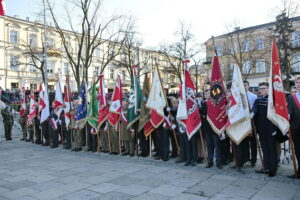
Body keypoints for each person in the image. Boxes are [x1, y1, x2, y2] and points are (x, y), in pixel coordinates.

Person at [252, 82, 277, 177]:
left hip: (271, 128)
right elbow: (255, 109)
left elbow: (277, 115)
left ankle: (273, 169)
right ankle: (265, 167)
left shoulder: (273, 100)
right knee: (264, 149)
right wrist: (252, 114)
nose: (261, 90)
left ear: (268, 88)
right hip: (261, 128)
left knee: (271, 149)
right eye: (260, 89)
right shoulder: (258, 100)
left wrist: (275, 128)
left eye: (263, 88)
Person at [200, 90, 222, 169]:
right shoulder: (204, 103)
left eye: (208, 93)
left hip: (215, 128)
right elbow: (201, 111)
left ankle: (218, 162)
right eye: (205, 93)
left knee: (217, 146)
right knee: (209, 146)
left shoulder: (216, 102)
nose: (207, 94)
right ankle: (210, 161)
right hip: (207, 128)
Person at [287, 77, 300, 178]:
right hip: (296, 128)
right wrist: (288, 115)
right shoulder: (292, 97)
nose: (298, 84)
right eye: (297, 82)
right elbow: (290, 110)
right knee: (298, 150)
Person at [244, 80, 257, 167]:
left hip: (252, 121)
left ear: (248, 86)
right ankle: (246, 157)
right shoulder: (239, 96)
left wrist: (252, 113)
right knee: (245, 141)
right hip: (243, 122)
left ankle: (253, 159)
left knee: (253, 142)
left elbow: (256, 108)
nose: (244, 86)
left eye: (245, 85)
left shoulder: (253, 96)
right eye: (243, 85)